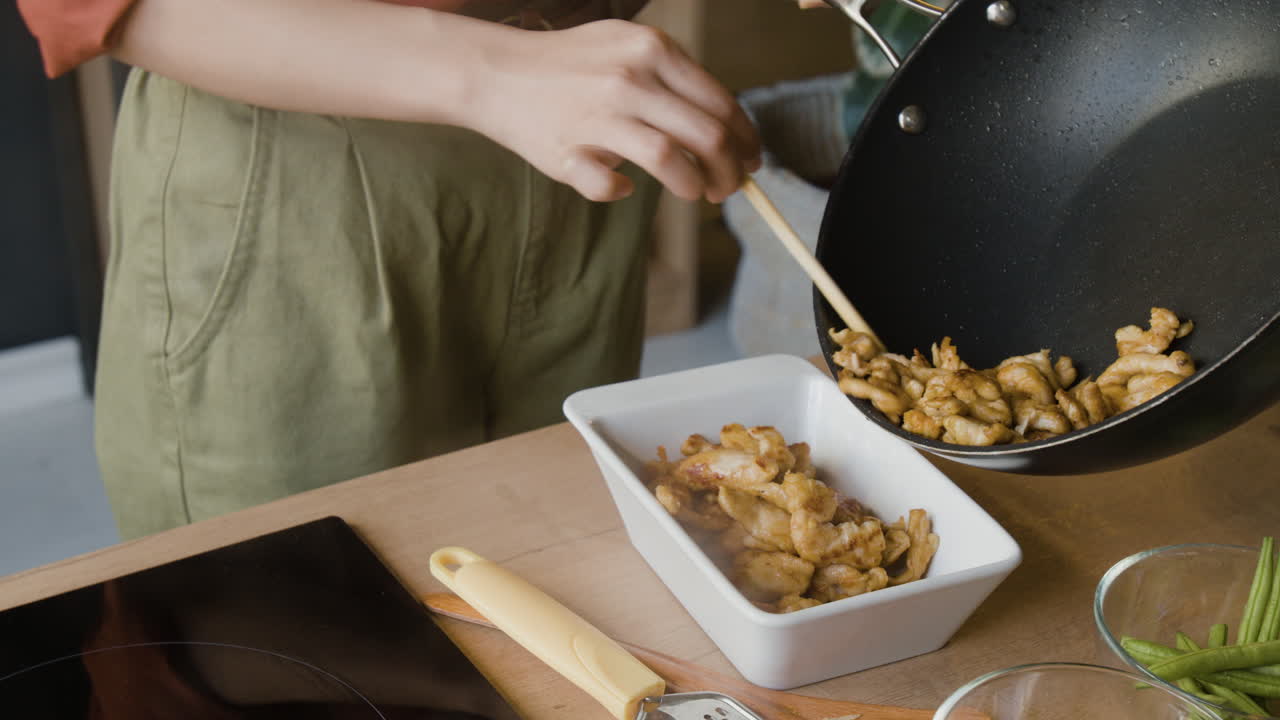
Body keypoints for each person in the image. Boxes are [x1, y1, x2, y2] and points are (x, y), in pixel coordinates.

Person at [17, 0, 763, 540]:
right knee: (295, 622)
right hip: (298, 160)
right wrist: (493, 75)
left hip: (590, 128)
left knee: (568, 574)